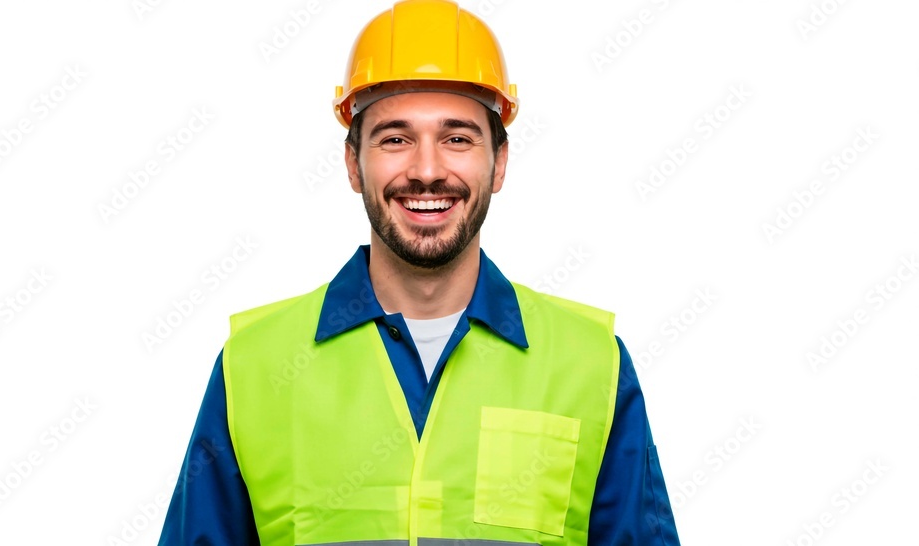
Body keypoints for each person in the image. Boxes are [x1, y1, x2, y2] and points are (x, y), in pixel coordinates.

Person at [158, 0, 680, 544]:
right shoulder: (256, 365)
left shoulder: (590, 364)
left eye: (457, 138)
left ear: (498, 163)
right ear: (352, 163)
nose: (427, 171)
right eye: (395, 138)